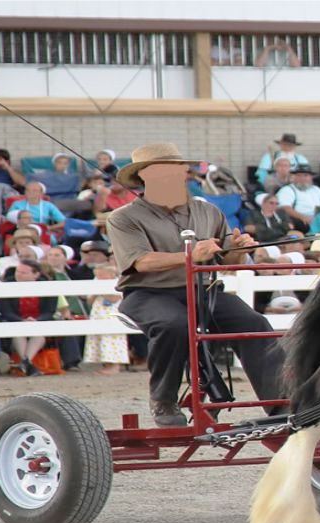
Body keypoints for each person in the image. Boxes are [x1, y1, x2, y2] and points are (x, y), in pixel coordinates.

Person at [106, 143, 283, 427]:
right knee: (173, 325)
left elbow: (227, 260)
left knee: (253, 322)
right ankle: (163, 400)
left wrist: (239, 248)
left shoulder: (208, 211)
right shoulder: (124, 217)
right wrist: (190, 255)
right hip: (147, 293)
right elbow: (141, 263)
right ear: (144, 178)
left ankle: (280, 402)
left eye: (179, 171)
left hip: (204, 291)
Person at [0, 259, 55, 376]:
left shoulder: (47, 286)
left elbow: (50, 311)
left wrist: (37, 320)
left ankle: (24, 362)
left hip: (38, 322)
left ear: (36, 274)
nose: (19, 274)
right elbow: (5, 311)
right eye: (18, 271)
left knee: (38, 335)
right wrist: (21, 321)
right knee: (19, 334)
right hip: (16, 321)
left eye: (24, 273)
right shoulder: (7, 285)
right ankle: (27, 363)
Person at [83, 264, 130, 375]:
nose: (99, 277)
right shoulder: (95, 282)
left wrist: (101, 290)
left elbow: (114, 298)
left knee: (112, 339)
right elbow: (89, 301)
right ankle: (106, 365)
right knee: (100, 339)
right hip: (98, 314)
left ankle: (115, 366)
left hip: (112, 314)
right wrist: (95, 291)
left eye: (101, 275)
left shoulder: (117, 281)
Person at [275, 165, 320, 231]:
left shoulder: (316, 189)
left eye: (306, 175)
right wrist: (303, 217)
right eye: (299, 175)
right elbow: (284, 208)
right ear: (294, 177)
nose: (302, 178)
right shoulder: (287, 190)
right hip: (300, 221)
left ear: (311, 177)